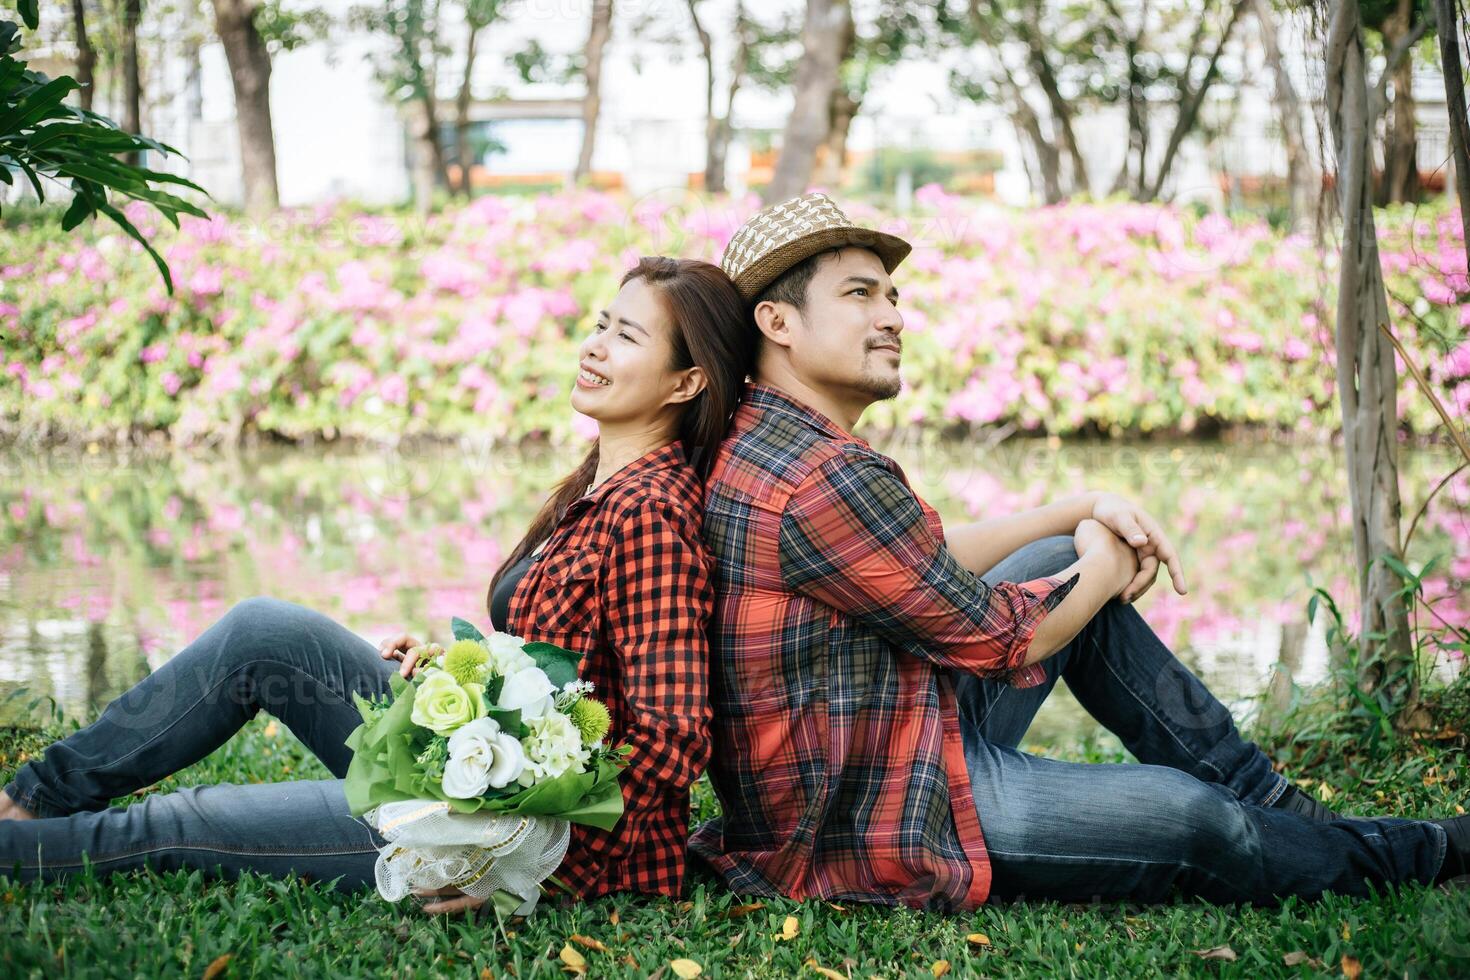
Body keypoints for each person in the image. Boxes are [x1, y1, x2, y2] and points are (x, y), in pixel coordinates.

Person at [689, 192, 1469, 911]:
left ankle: (1277, 807)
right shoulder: (822, 474)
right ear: (777, 322)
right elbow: (1003, 636)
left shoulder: (774, 440)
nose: (892, 315)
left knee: (1055, 555)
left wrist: (1080, 514)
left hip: (887, 739)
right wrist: (1098, 564)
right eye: (860, 293)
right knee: (1194, 820)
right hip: (875, 816)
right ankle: (1408, 850)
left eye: (892, 294)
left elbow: (923, 557)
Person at [0, 256, 753, 916]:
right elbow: (564, 673)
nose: (594, 346)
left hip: (523, 838)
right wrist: (460, 685)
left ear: (686, 380)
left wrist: (515, 860)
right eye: (600, 322)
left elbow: (673, 739)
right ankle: (33, 796)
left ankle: (14, 847)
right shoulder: (601, 483)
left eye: (627, 336)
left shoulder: (651, 515)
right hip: (474, 771)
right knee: (264, 630)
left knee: (184, 821)